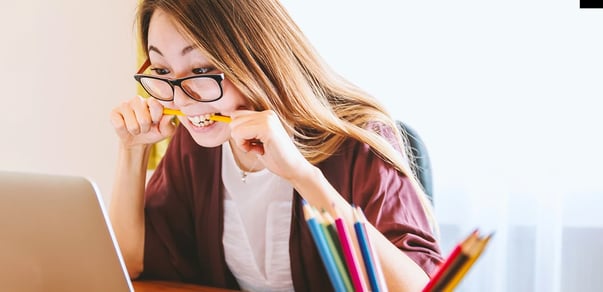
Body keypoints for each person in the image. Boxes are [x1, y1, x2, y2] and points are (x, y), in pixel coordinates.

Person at [109, 0, 443, 291]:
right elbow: (130, 263)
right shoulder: (196, 145)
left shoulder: (359, 141)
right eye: (164, 70)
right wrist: (133, 151)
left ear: (256, 57)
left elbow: (417, 287)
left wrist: (302, 176)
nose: (181, 99)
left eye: (201, 69)